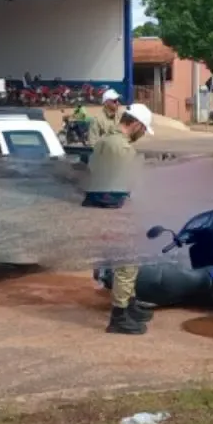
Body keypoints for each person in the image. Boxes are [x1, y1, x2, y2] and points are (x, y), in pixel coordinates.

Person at [85, 103, 155, 334]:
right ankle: (119, 317)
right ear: (135, 124)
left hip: (102, 209)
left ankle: (129, 304)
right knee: (126, 263)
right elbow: (129, 186)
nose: (142, 135)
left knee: (125, 262)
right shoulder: (123, 149)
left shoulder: (105, 141)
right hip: (117, 211)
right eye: (143, 130)